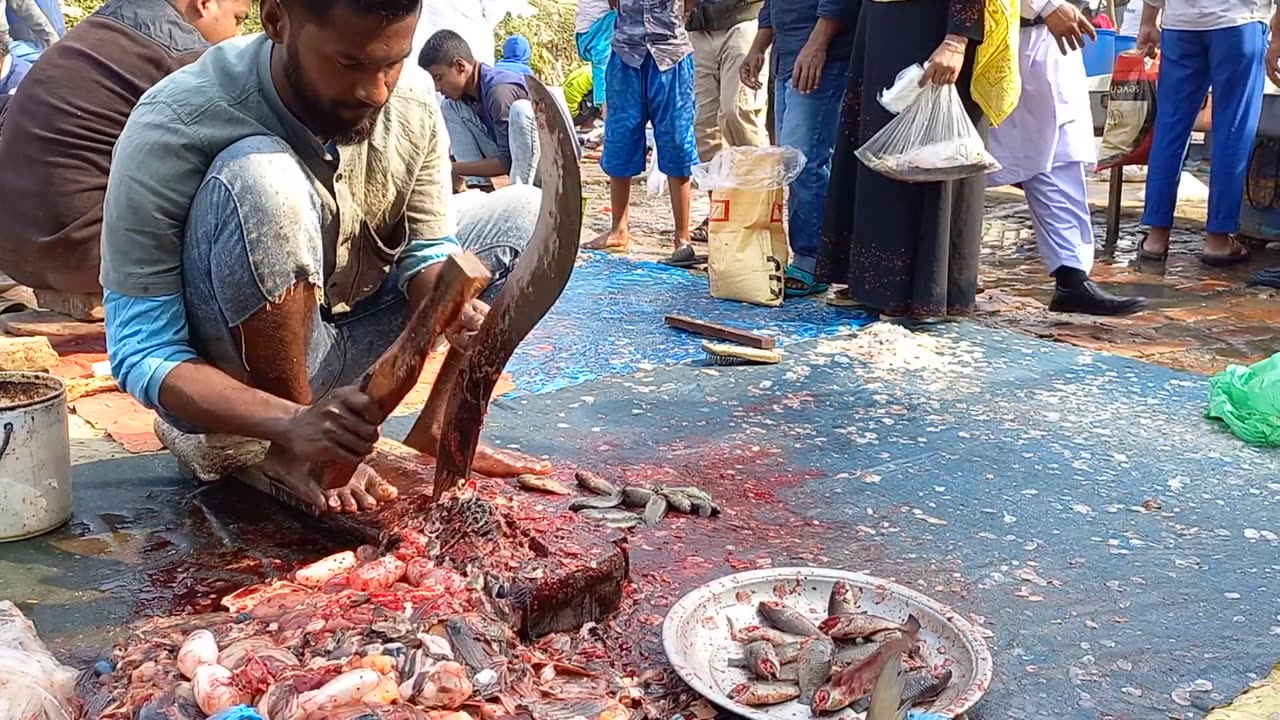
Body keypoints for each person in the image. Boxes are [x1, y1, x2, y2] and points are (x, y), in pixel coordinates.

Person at [101, 0, 550, 514]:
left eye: (392, 62)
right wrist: (295, 425)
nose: (376, 91)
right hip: (235, 372)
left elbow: (427, 247)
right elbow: (142, 351)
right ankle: (297, 449)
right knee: (262, 177)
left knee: (526, 211)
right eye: (350, 64)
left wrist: (452, 308)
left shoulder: (412, 99)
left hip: (344, 346)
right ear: (276, 21)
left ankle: (439, 428)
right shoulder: (177, 118)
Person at [0, 0, 250, 305]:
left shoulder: (103, 27)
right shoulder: (183, 55)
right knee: (244, 170)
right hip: (84, 252)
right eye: (238, 19)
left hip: (16, 250)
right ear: (205, 3)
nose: (237, 35)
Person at [818, 0, 1018, 320]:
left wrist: (956, 38)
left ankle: (925, 291)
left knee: (929, 151)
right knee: (881, 142)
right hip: (882, 22)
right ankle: (877, 285)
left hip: (931, 23)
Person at [986, 0, 1147, 315]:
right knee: (965, 160)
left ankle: (1071, 278)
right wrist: (1045, 5)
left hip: (1055, 39)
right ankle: (932, 271)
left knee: (1062, 157)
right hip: (1007, 35)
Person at [1135, 0, 1269, 266]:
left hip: (1181, 25)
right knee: (1232, 130)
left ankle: (1156, 238)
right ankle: (1218, 239)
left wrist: (1148, 21)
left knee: (1169, 129)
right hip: (1239, 22)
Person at [741, 0, 859, 297]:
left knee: (806, 159)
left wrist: (817, 45)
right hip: (788, 56)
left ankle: (814, 259)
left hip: (821, 56)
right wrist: (759, 47)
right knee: (790, 163)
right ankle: (808, 254)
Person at [583, 0, 700, 264]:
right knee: (621, 139)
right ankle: (618, 229)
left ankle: (682, 238)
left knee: (677, 140)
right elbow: (614, 3)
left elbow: (690, 4)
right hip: (626, 54)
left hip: (672, 55)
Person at [688, 0, 767, 243]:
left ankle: (758, 207)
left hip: (743, 21)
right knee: (704, 127)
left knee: (737, 112)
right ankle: (721, 210)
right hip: (700, 27)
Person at [420, 29, 539, 188]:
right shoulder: (466, 96)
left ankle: (520, 193)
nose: (437, 88)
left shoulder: (499, 91)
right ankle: (480, 189)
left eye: (439, 78)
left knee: (520, 110)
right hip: (510, 153)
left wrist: (450, 168)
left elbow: (508, 161)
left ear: (460, 66)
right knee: (450, 106)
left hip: (538, 163)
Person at [575, 0, 615, 117]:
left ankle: (605, 111)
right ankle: (606, 111)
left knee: (601, 69)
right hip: (599, 25)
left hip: (584, 32)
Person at [562, 63, 601, 128]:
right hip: (572, 116)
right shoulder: (605, 77)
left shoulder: (595, 67)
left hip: (562, 107)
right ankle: (587, 125)